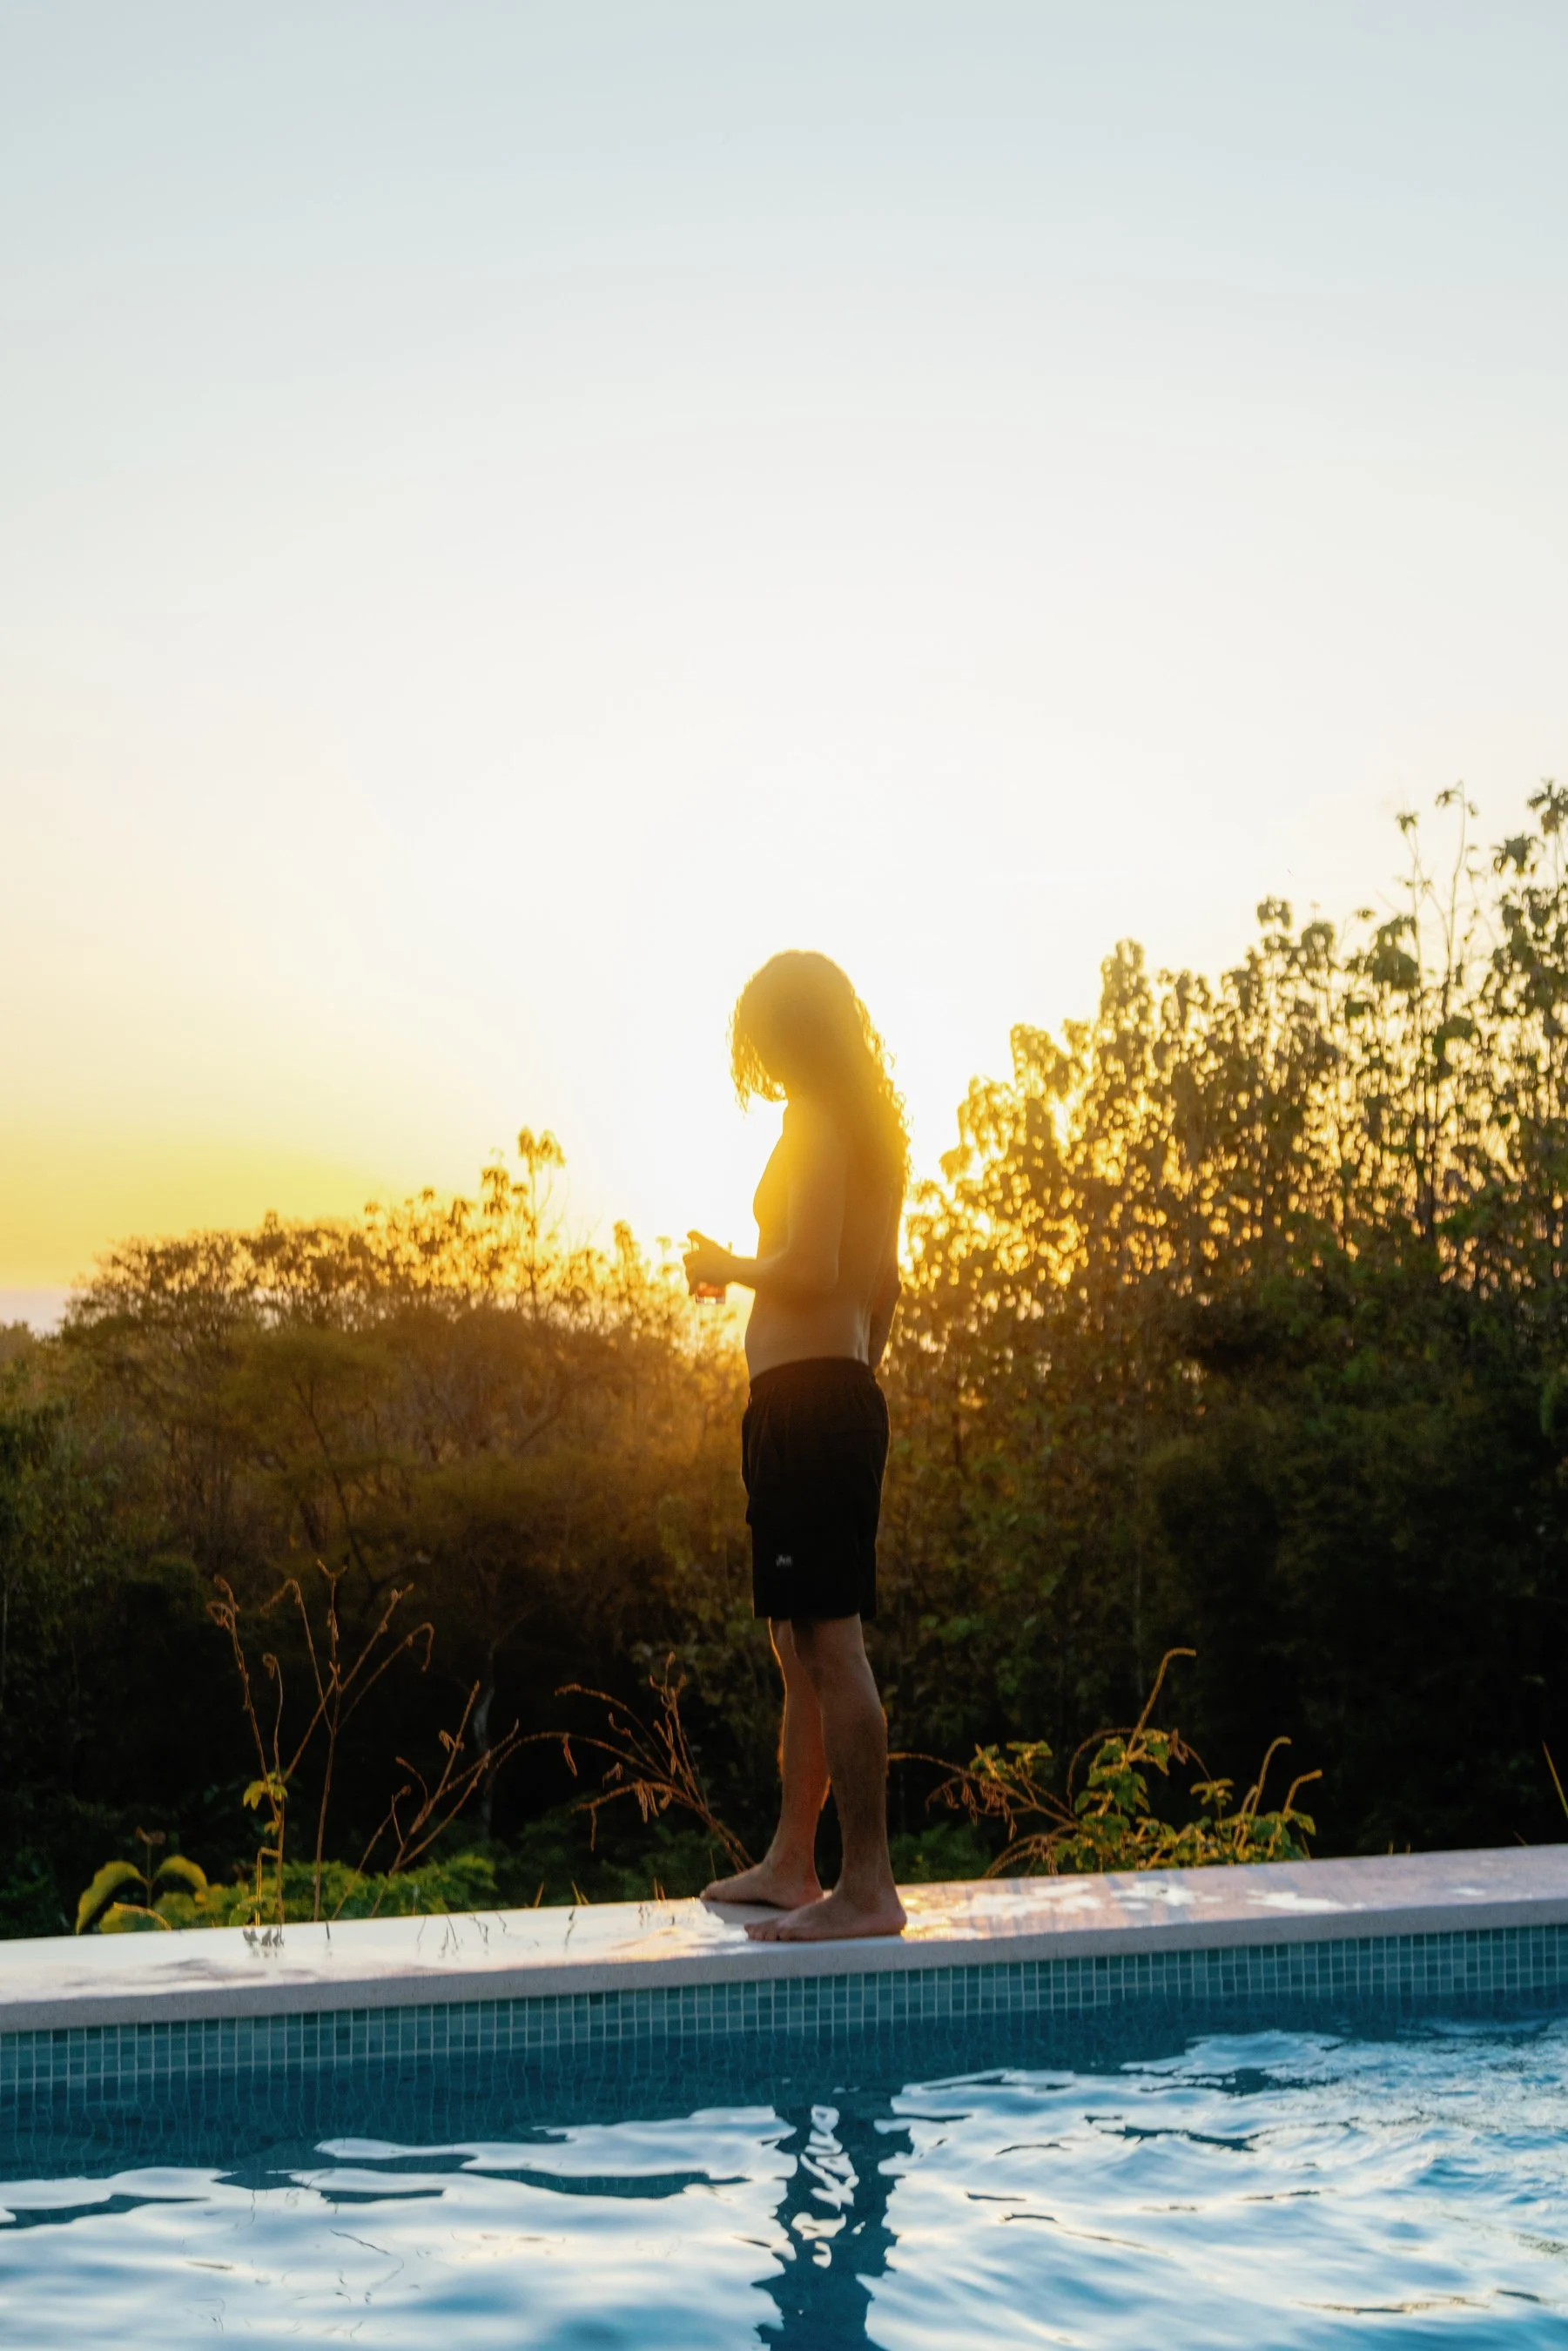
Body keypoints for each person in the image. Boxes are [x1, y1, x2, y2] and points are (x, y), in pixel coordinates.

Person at [684, 951, 907, 1942]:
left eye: (765, 1038)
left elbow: (811, 1265)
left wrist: (723, 1265)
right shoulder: (867, 1132)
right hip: (824, 1397)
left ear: (789, 1034)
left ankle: (865, 1888)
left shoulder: (816, 1121)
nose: (759, 1058)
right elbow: (881, 1288)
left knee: (828, 1640)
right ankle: (791, 1862)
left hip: (813, 1403)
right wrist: (853, 1376)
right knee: (797, 1641)